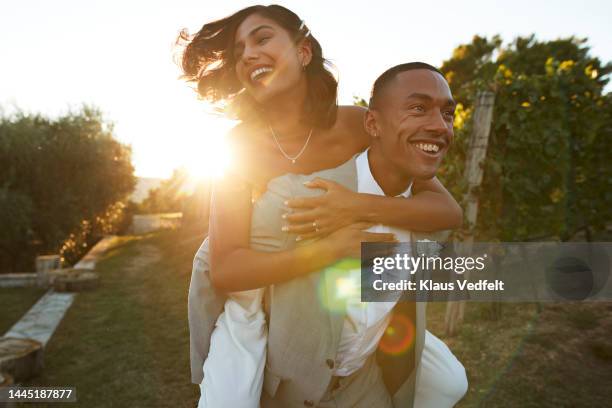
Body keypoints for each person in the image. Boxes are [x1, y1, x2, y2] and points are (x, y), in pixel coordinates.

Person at [180, 5, 463, 407]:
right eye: (239, 48)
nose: (247, 53)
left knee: (448, 382)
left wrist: (352, 206)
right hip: (254, 290)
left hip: (338, 284)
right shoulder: (238, 147)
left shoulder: (356, 124)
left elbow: (446, 210)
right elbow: (227, 268)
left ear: (304, 52)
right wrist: (327, 250)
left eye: (262, 38)